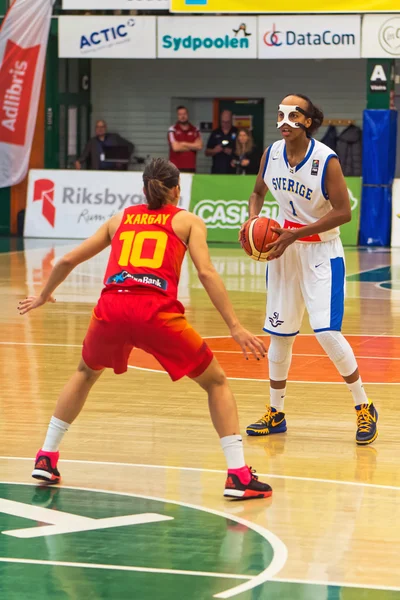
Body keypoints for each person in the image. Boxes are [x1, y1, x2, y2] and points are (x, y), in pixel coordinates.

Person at [19, 158, 272, 501]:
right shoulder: (187, 221)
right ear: (177, 190)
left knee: (85, 372)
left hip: (112, 307)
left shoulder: (119, 219)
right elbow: (207, 273)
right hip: (156, 312)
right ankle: (238, 476)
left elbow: (66, 260)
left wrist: (43, 295)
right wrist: (235, 326)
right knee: (216, 382)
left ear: (144, 188)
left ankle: (46, 457)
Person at [242, 94, 378, 445]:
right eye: (281, 114)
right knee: (280, 336)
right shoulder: (271, 153)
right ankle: (276, 413)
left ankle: (364, 407)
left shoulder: (326, 160)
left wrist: (296, 234)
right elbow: (257, 191)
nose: (285, 120)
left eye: (293, 114)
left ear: (307, 122)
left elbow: (344, 213)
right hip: (285, 250)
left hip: (321, 251)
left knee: (326, 333)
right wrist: (253, 219)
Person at [168, 106, 203, 173]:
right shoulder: (172, 129)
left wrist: (183, 144)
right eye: (180, 114)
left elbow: (199, 146)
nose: (182, 116)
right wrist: (193, 146)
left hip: (191, 167)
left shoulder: (195, 129)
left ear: (188, 114)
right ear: (177, 116)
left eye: (184, 114)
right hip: (175, 168)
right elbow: (175, 148)